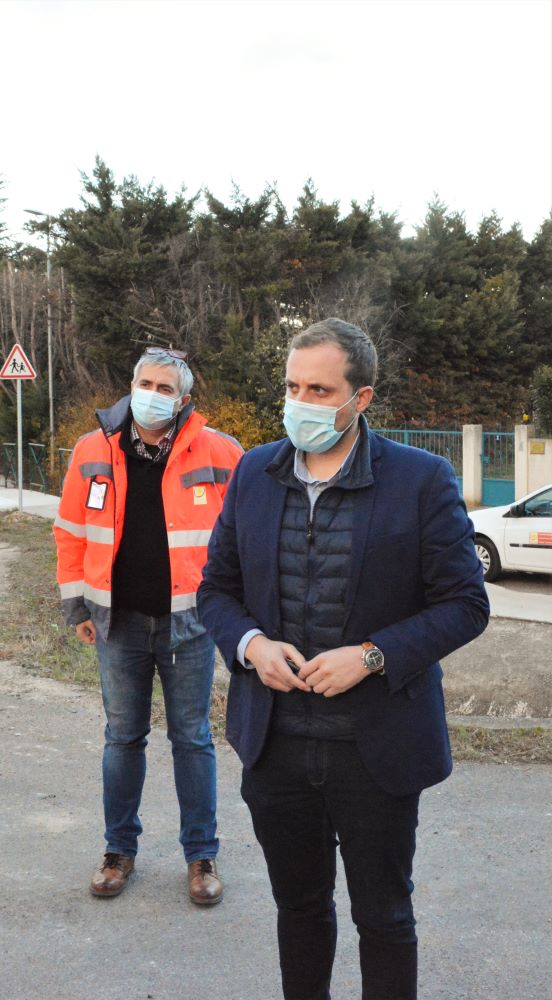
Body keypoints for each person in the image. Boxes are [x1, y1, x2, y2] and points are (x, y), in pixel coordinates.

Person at [197, 318, 489, 999]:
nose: (300, 401)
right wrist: (249, 645)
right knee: (298, 909)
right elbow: (217, 588)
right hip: (276, 746)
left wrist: (373, 654)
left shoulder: (420, 480)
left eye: (319, 389)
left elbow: (465, 605)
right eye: (292, 386)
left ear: (361, 399)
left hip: (375, 749)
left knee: (383, 916)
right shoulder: (254, 472)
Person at [53, 347, 243, 904]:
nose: (152, 393)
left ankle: (201, 856)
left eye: (165, 387)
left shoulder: (221, 451)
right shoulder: (92, 451)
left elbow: (243, 539)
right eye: (145, 381)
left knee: (192, 739)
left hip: (191, 623)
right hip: (118, 624)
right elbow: (69, 531)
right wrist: (79, 608)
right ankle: (118, 851)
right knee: (122, 738)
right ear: (130, 383)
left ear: (184, 399)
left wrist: (231, 609)